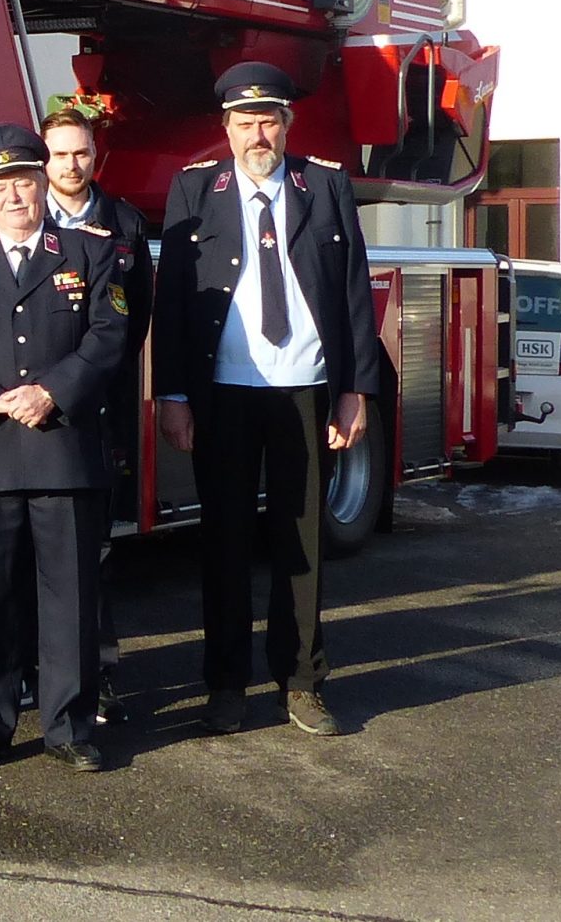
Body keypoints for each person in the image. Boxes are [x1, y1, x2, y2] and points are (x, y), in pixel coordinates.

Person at [152, 62, 378, 739]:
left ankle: (303, 682)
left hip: (305, 389)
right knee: (222, 543)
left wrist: (355, 389)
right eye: (246, 121)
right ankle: (225, 684)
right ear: (225, 128)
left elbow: (354, 296)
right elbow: (172, 305)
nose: (259, 133)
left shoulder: (327, 185)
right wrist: (171, 393)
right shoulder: (194, 190)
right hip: (223, 393)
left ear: (288, 125)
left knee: (300, 542)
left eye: (270, 119)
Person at [0, 122, 127, 773]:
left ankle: (69, 728)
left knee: (68, 599)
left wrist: (52, 393)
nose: (13, 195)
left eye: (23, 180)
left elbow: (109, 336)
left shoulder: (91, 252)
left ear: (44, 183)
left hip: (62, 448)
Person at [41, 105, 154, 723]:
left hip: (97, 410)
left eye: (81, 152)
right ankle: (36, 672)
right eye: (59, 153)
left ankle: (97, 672)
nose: (71, 164)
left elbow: (132, 324)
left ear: (95, 154)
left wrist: (88, 384)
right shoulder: (14, 217)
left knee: (93, 551)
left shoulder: (127, 226)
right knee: (29, 549)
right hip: (31, 412)